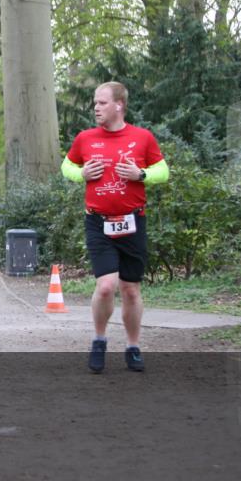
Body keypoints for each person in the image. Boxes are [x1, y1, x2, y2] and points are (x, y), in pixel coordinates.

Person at [61, 81, 169, 374]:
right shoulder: (85, 138)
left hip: (133, 222)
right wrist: (81, 173)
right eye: (95, 103)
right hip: (98, 223)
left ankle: (133, 347)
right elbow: (66, 167)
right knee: (106, 286)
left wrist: (141, 174)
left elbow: (163, 171)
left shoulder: (142, 137)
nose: (96, 108)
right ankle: (99, 340)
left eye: (102, 103)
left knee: (131, 290)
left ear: (119, 105)